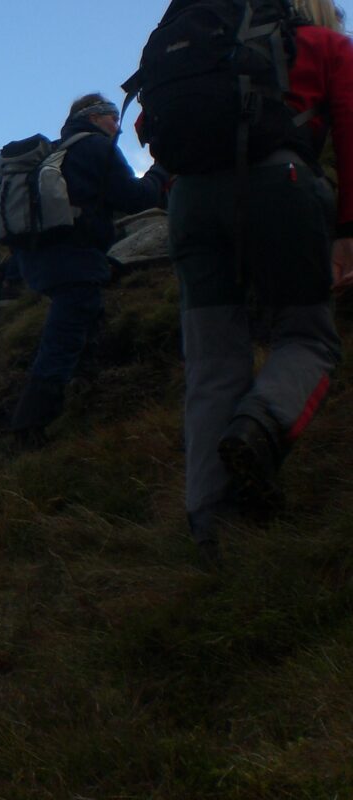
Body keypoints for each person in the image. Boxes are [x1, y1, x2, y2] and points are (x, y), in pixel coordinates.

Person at [168, 0, 353, 564]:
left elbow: (154, 125)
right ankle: (259, 426)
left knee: (212, 361)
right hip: (282, 187)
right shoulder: (324, 47)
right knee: (308, 337)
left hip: (190, 202)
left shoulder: (197, 45)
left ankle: (211, 526)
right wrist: (348, 229)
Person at [10, 93, 169, 442]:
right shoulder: (97, 148)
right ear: (95, 117)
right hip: (74, 260)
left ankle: (79, 384)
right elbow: (136, 198)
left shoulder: (54, 150)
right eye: (112, 118)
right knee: (64, 335)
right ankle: (31, 425)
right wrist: (161, 172)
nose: (118, 126)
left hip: (37, 260)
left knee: (80, 316)